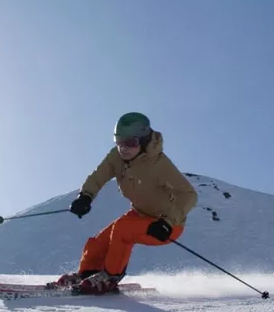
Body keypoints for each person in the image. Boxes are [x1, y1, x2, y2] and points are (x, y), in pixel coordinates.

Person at [51, 112, 198, 294]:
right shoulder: (117, 157)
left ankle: (110, 277)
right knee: (101, 240)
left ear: (143, 141)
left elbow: (189, 194)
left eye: (130, 142)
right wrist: (85, 196)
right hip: (139, 214)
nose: (123, 148)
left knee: (122, 230)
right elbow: (99, 175)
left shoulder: (159, 164)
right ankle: (88, 274)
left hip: (167, 225)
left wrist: (167, 222)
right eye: (119, 141)